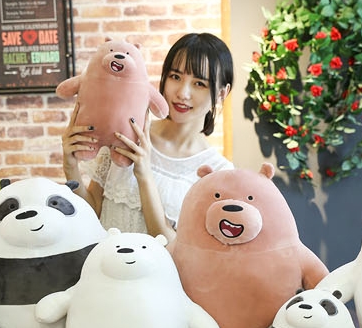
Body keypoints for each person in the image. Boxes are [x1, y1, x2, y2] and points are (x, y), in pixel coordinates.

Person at [61, 32, 234, 241]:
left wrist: (144, 176)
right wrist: (70, 166)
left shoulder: (218, 172)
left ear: (222, 93)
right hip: (105, 260)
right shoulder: (129, 134)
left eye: (199, 83)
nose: (182, 93)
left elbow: (177, 248)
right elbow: (92, 211)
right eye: (175, 77)